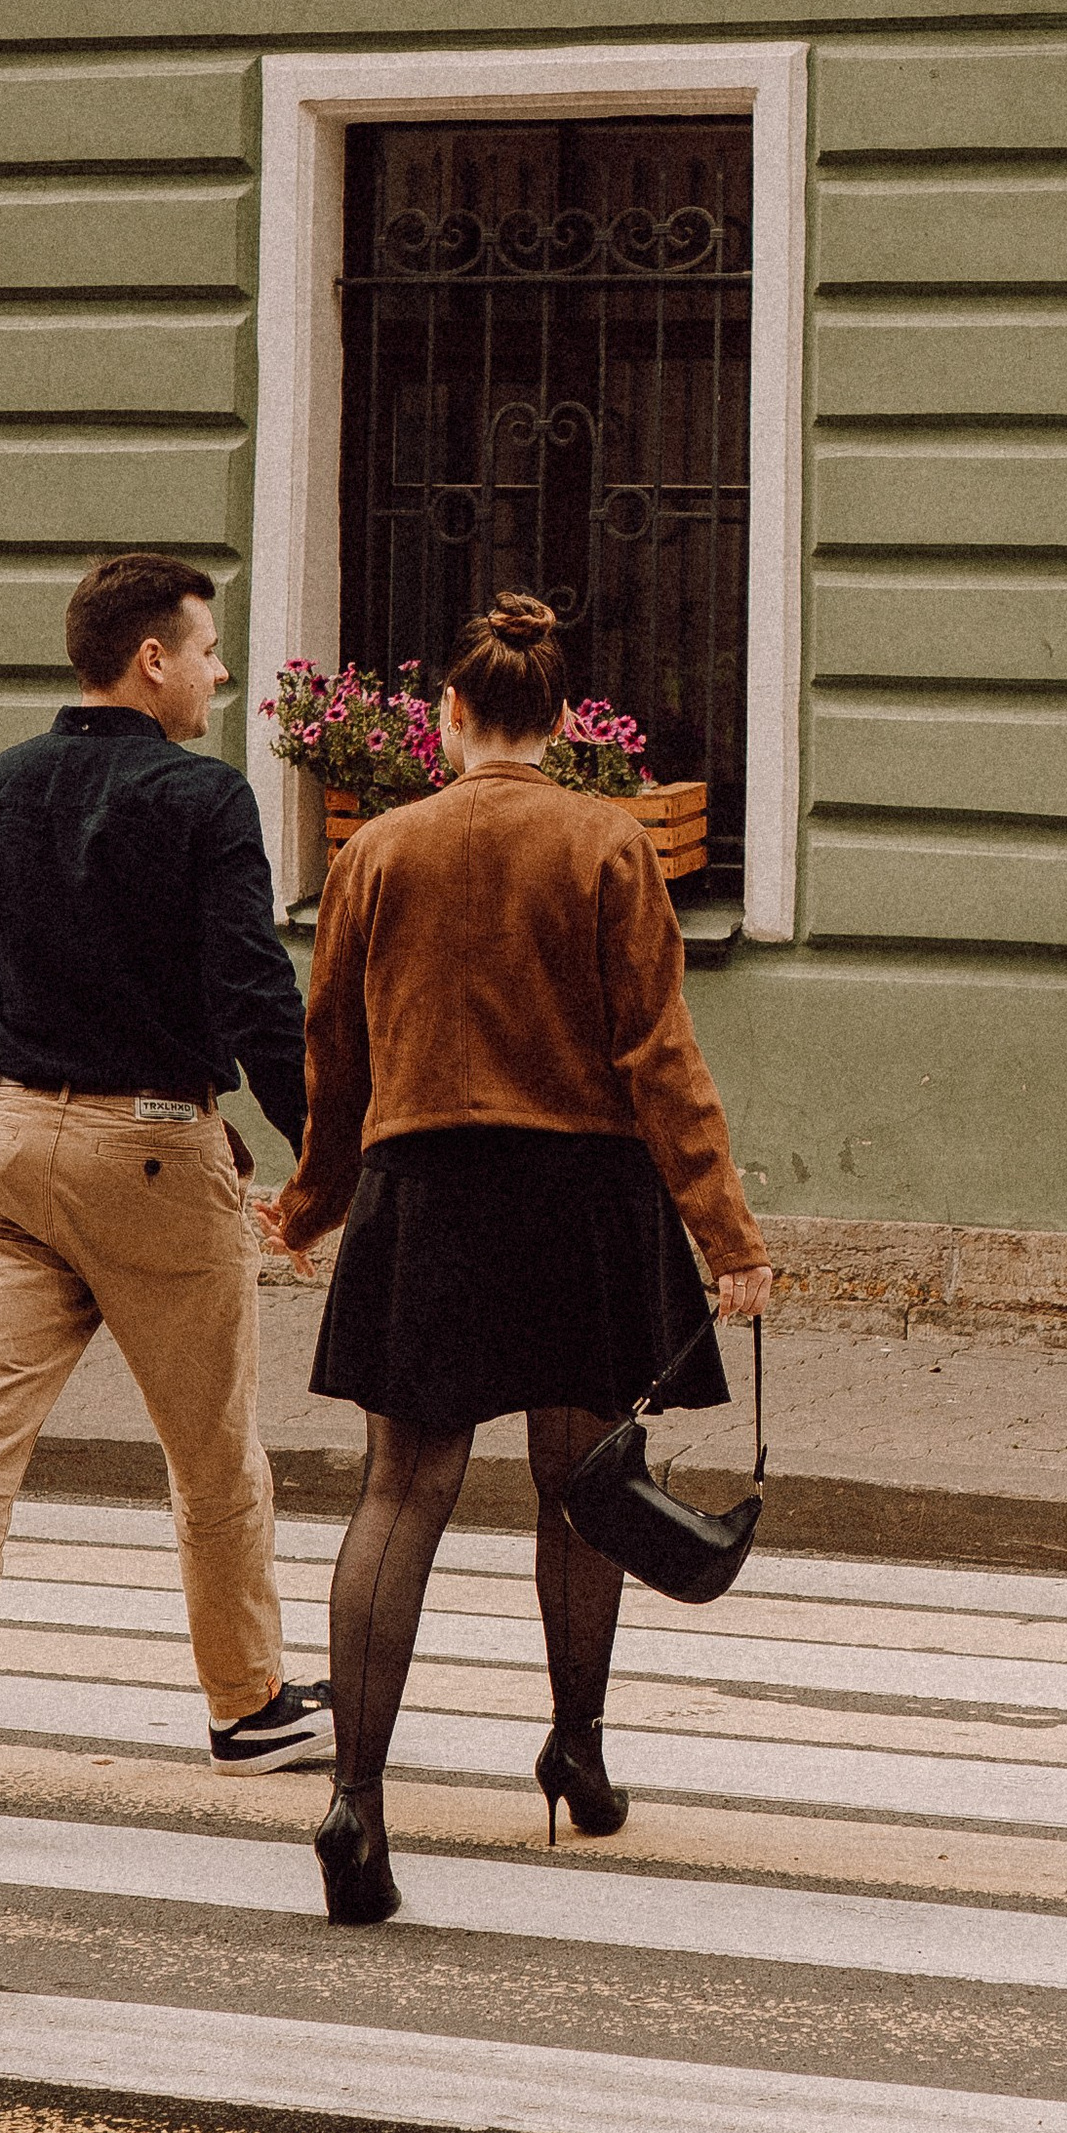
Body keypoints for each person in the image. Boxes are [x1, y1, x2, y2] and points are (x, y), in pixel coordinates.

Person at [255, 591, 771, 1926]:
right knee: (582, 1481)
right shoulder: (608, 844)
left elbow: (334, 1051)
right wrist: (729, 1238)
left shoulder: (378, 849)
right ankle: (577, 1749)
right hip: (583, 1196)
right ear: (560, 727)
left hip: (426, 1190)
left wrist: (312, 1202)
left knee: (402, 1490)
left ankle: (356, 1804)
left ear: (452, 717)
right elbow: (661, 1057)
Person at [0, 551, 336, 1836]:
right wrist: (323, 1159)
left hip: (8, 1147)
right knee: (212, 1454)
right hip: (150, 1146)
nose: (222, 671)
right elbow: (254, 999)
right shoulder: (204, 800)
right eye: (208, 648)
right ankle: (246, 1709)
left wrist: (32, 1076)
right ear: (151, 660)